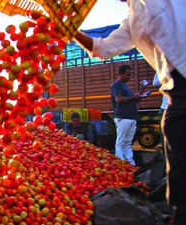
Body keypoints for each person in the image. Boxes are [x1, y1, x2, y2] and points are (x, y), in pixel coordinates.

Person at [74, 1, 186, 223]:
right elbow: (101, 48)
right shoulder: (133, 20)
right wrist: (70, 32)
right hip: (178, 94)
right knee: (180, 170)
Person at [110, 65, 143, 166]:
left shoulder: (125, 86)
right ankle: (120, 164)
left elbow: (131, 99)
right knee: (121, 142)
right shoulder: (117, 85)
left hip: (131, 117)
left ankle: (130, 163)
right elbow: (118, 99)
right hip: (123, 116)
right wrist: (134, 97)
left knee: (127, 143)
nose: (129, 77)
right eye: (128, 75)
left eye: (130, 75)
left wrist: (141, 91)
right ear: (121, 74)